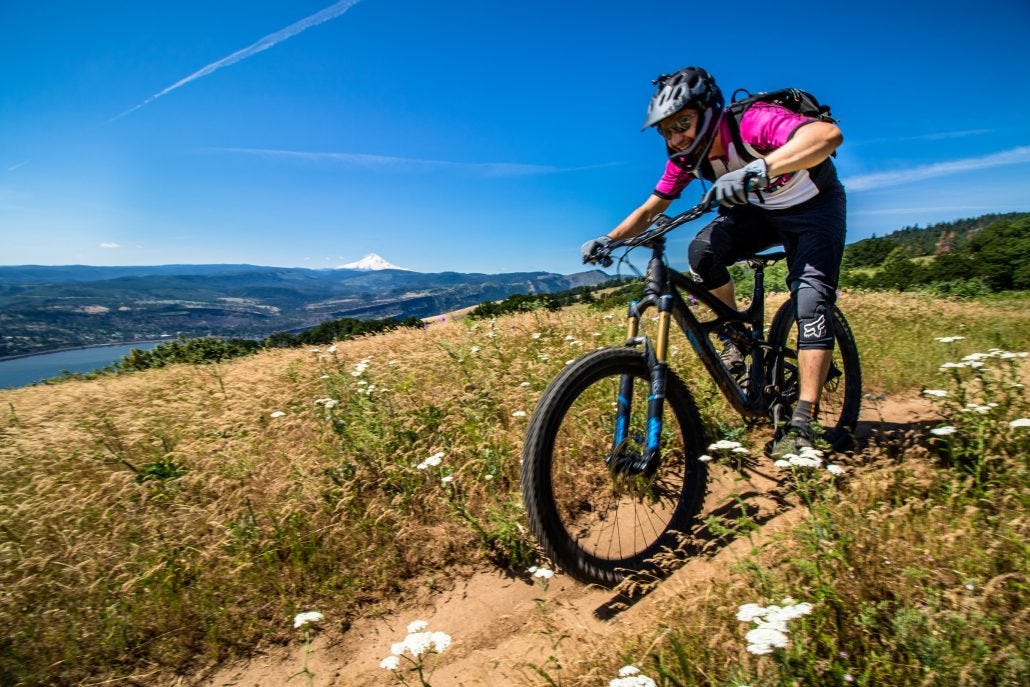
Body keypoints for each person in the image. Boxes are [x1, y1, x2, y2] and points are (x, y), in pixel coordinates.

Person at [580, 66, 846, 455]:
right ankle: (736, 336)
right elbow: (653, 207)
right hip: (759, 215)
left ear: (708, 112)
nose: (675, 137)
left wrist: (761, 167)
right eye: (666, 131)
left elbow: (826, 135)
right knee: (702, 253)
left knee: (810, 302)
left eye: (682, 123)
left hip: (814, 211)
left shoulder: (753, 123)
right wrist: (610, 238)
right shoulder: (686, 160)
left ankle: (803, 420)